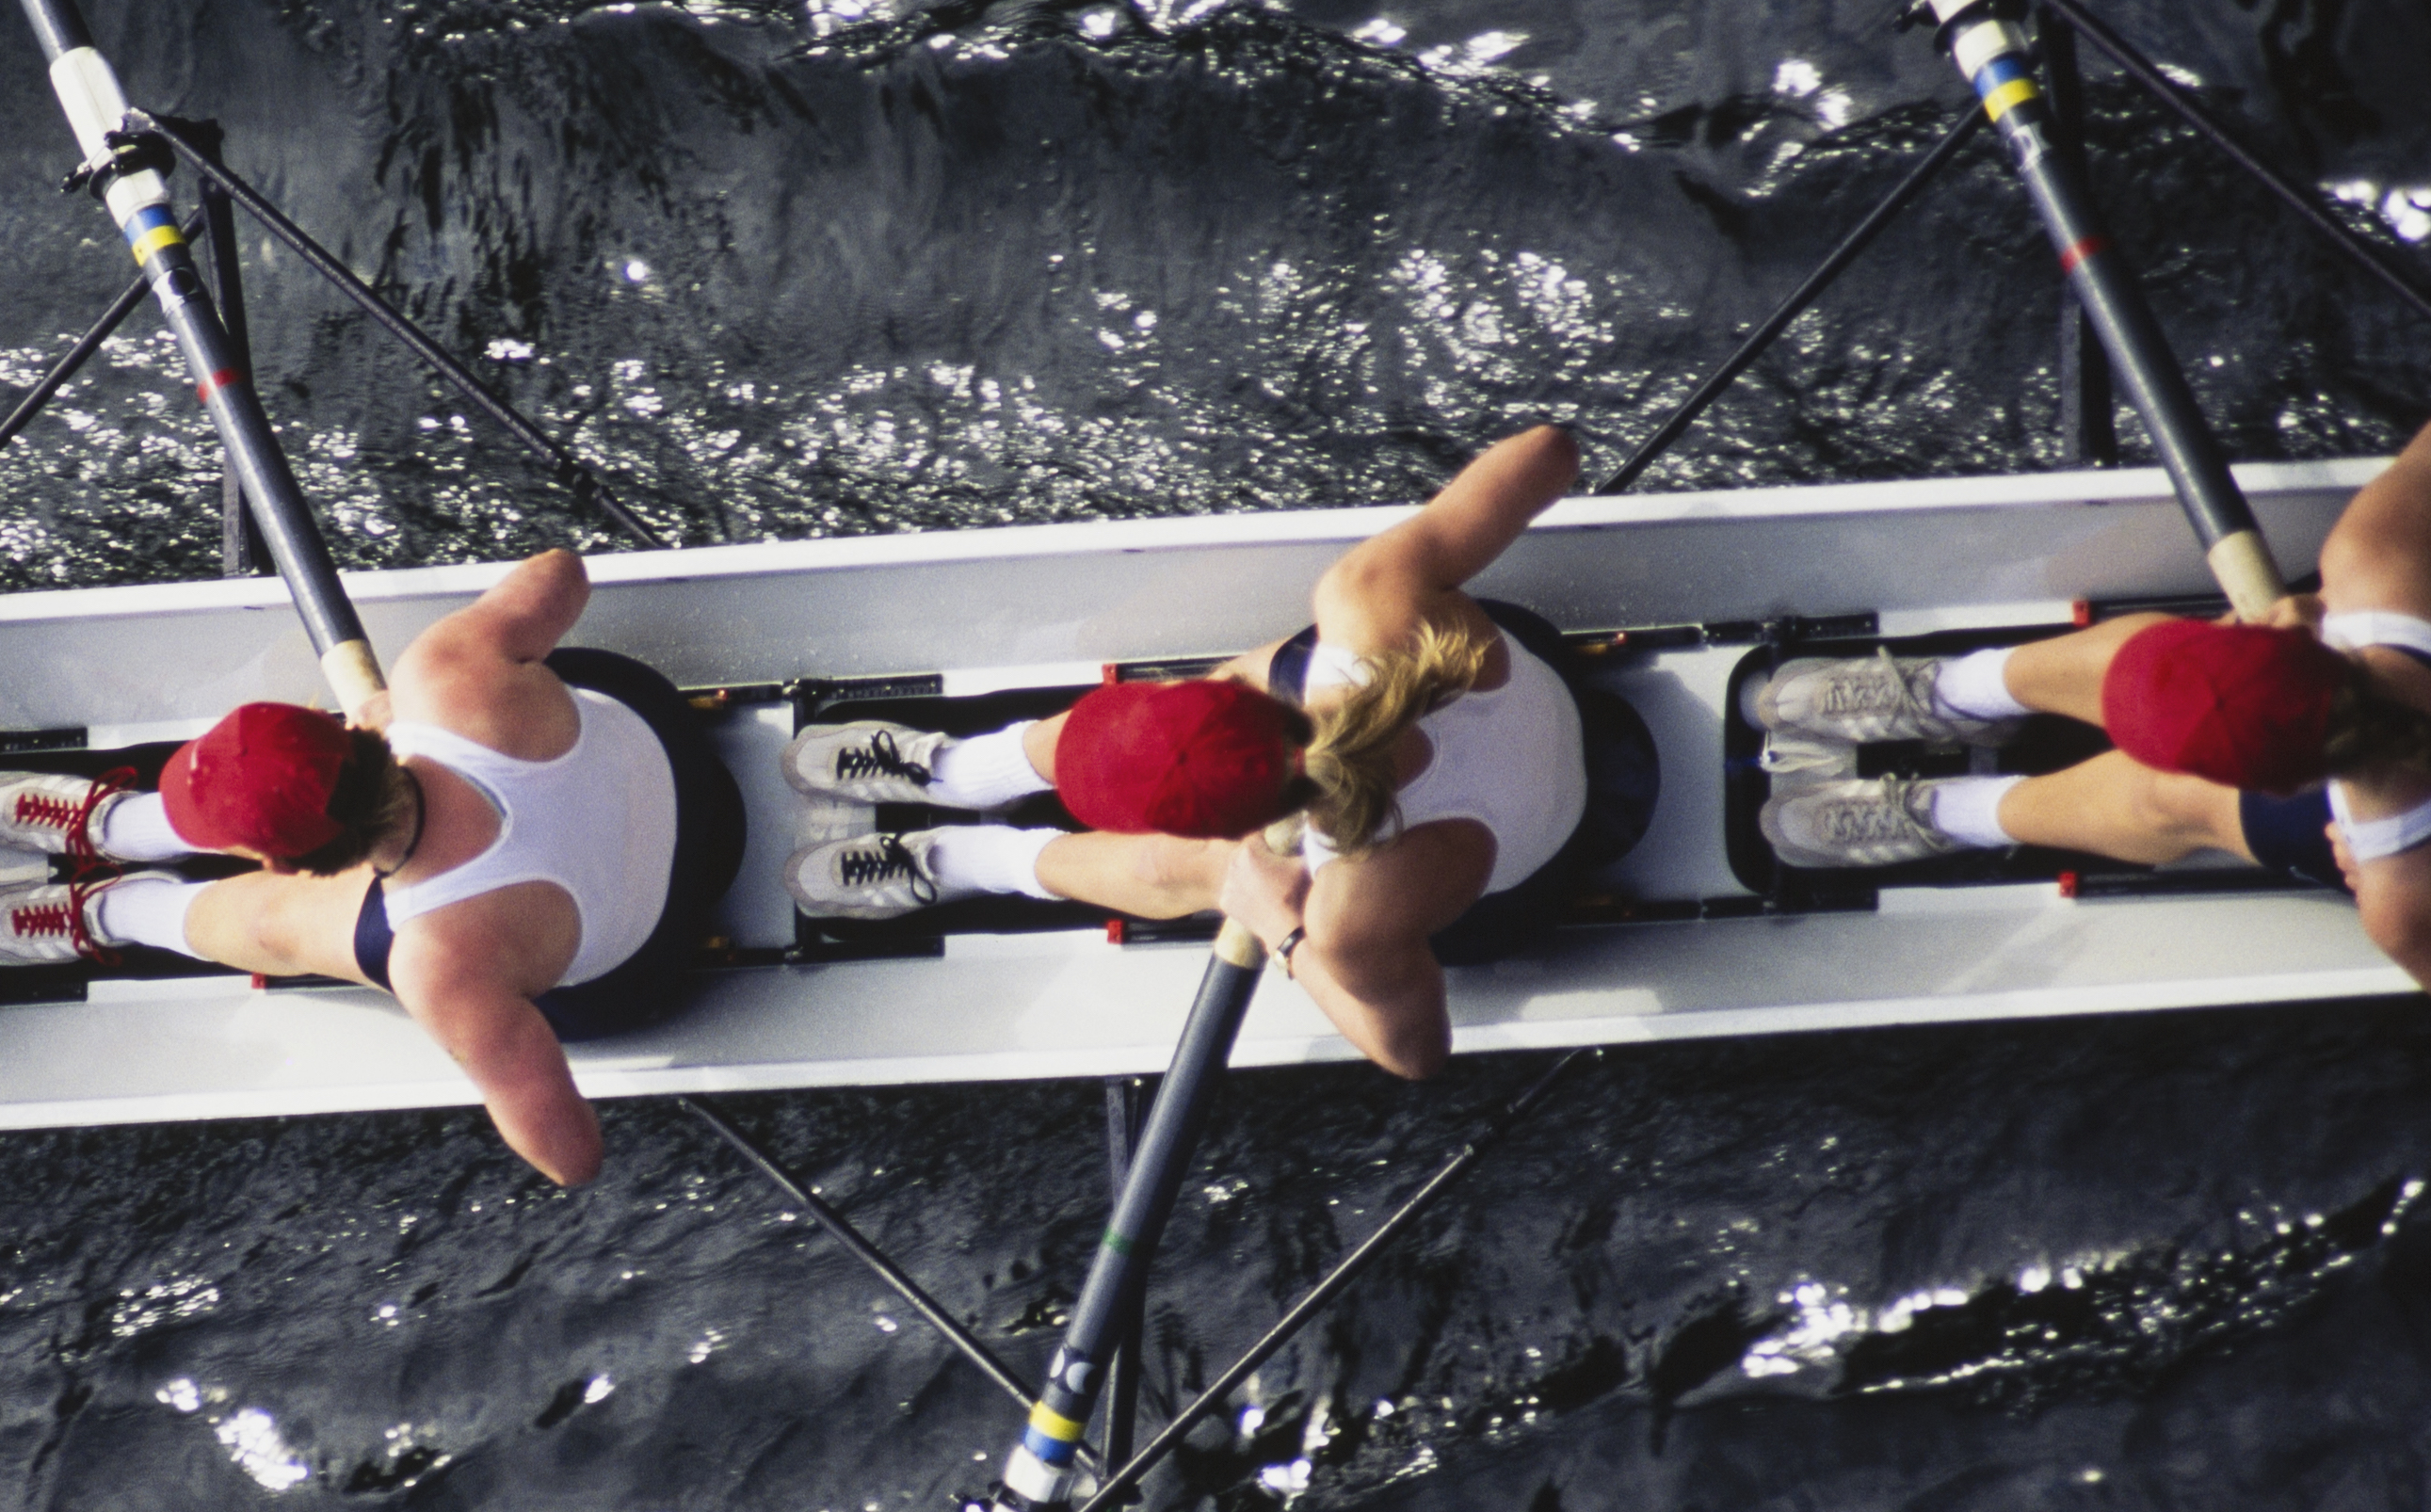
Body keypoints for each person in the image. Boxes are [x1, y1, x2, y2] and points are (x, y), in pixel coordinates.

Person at [782, 424, 1597, 1079]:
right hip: (1508, 674)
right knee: (1148, 741)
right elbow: (1552, 450)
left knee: (1203, 873)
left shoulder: (1349, 916)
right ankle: (957, 770)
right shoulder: (1366, 596)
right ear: (1235, 703)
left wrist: (1279, 925)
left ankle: (963, 857)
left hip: (1526, 879)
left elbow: (1414, 1054)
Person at [0, 548, 740, 1186]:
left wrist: (470, 1022)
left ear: (283, 861)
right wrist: (414, 705)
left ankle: (117, 906)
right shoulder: (441, 670)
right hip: (659, 741)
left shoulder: (437, 965)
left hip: (652, 948)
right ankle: (121, 827)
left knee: (277, 927)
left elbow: (575, 1162)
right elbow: (562, 570)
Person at [1757, 420, 2431, 987]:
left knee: (2167, 796)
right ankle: (1960, 690)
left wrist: (2371, 881)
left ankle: (1963, 814)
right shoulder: (2377, 553)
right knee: (2166, 680)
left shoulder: (2402, 902)